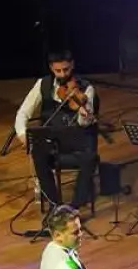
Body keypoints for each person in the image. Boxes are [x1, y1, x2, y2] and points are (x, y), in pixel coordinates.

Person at [16, 50, 99, 211]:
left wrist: (83, 114)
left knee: (89, 158)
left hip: (76, 144)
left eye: (66, 70)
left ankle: (74, 207)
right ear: (51, 68)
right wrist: (22, 134)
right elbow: (23, 113)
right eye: (58, 71)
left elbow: (85, 124)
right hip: (52, 143)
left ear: (72, 65)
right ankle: (54, 205)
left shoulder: (86, 88)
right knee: (38, 154)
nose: (62, 75)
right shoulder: (43, 84)